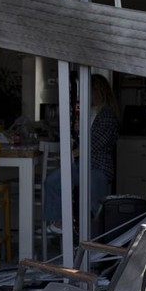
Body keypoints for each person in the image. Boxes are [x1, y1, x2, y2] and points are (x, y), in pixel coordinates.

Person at [44, 74, 119, 233]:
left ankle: (101, 238)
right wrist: (78, 132)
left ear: (97, 91)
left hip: (98, 167)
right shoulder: (88, 111)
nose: (85, 94)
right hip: (83, 165)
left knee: (95, 206)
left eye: (88, 90)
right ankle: (59, 223)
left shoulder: (107, 114)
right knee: (52, 182)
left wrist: (72, 154)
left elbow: (94, 144)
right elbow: (85, 141)